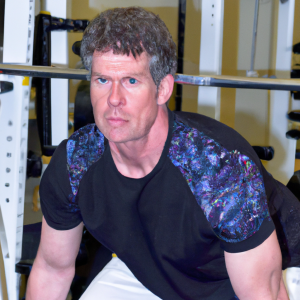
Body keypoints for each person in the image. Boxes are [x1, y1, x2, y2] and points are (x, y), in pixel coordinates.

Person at [26, 6, 299, 300]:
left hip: (258, 273)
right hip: (156, 271)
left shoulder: (216, 168)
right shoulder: (75, 163)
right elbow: (53, 269)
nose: (114, 100)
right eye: (102, 80)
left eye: (131, 81)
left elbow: (263, 294)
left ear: (163, 89)